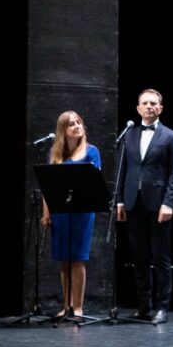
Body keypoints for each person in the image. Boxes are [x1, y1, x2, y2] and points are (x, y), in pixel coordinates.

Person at [116, 89, 173, 325]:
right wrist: (120, 201)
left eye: (153, 103)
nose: (149, 106)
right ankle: (144, 307)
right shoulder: (129, 135)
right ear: (138, 108)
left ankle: (162, 307)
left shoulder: (171, 136)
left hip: (158, 205)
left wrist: (168, 203)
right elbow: (122, 170)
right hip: (133, 203)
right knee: (140, 257)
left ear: (160, 108)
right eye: (144, 103)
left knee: (160, 257)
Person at [41, 111, 101, 318]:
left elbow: (93, 183)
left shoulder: (91, 151)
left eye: (79, 122)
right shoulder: (55, 153)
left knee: (77, 259)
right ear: (63, 130)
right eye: (71, 124)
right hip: (60, 212)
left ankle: (78, 307)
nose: (77, 126)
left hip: (82, 212)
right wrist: (46, 213)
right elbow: (47, 186)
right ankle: (66, 306)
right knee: (64, 260)